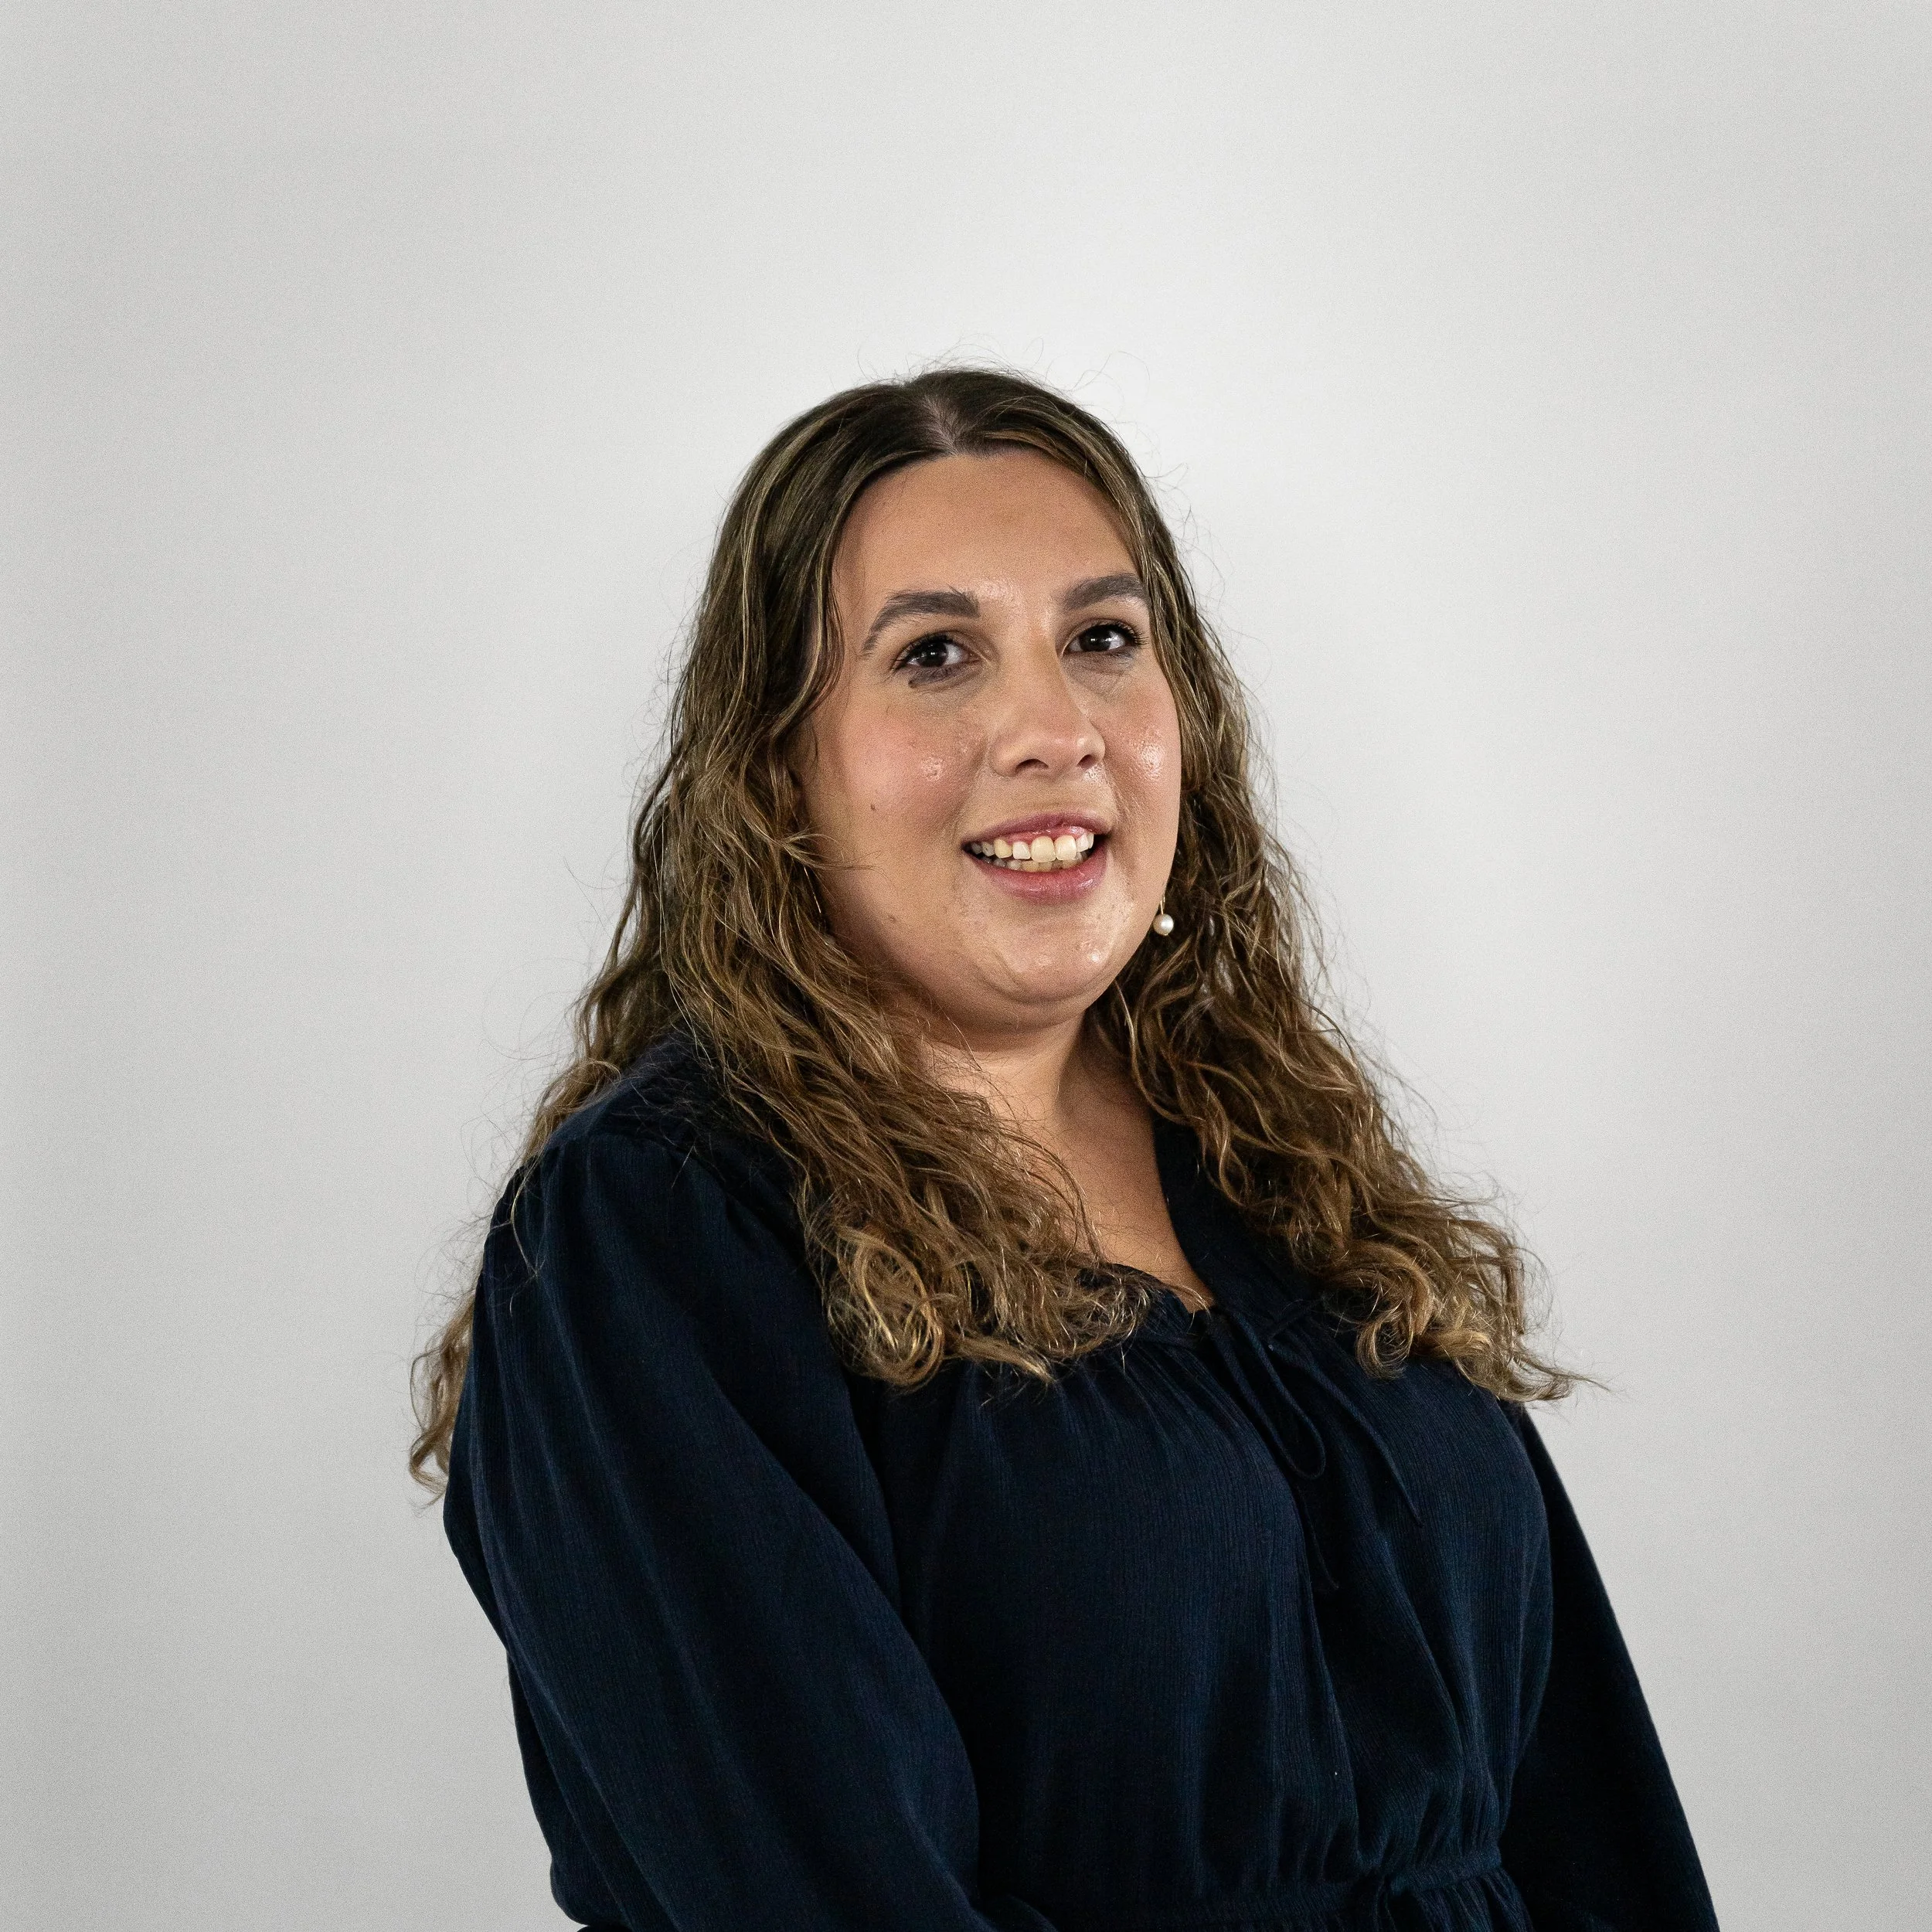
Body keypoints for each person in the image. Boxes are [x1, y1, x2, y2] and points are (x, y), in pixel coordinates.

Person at [412, 368, 1718, 1932]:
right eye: (934, 655)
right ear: (776, 767)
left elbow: (1585, 1806)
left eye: (1102, 639)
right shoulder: (658, 1229)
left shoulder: (1275, 1158)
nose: (1053, 731)